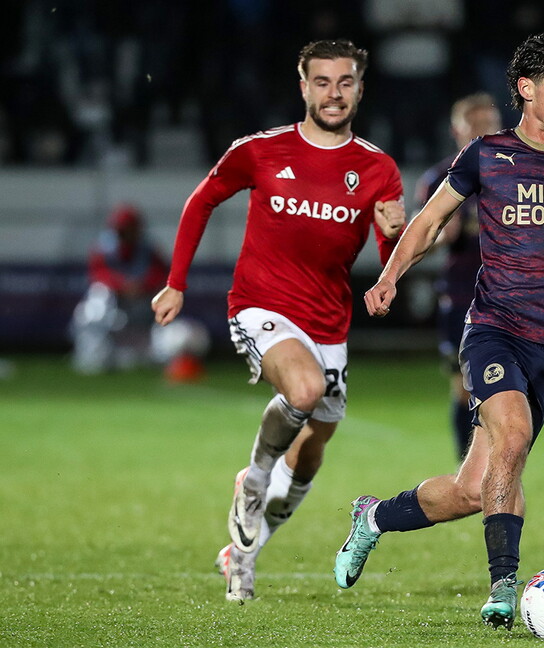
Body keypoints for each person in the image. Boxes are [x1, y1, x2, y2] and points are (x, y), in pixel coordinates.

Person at [334, 32, 544, 629]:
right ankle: (503, 586)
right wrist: (389, 276)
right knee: (513, 438)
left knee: (473, 490)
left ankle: (373, 517)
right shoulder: (487, 155)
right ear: (527, 89)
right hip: (494, 329)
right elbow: (430, 221)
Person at [150, 39, 406, 602]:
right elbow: (202, 200)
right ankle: (255, 477)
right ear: (304, 87)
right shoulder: (261, 150)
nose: (334, 94)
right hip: (260, 304)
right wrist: (176, 281)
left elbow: (390, 260)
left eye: (345, 82)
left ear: (360, 89)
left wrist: (393, 235)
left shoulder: (378, 168)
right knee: (305, 390)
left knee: (313, 447)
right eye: (323, 82)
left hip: (328, 322)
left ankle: (244, 554)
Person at [415, 92, 502, 459]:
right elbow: (421, 239)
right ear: (457, 130)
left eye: (489, 124)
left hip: (511, 295)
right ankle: (467, 470)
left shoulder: (518, 173)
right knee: (465, 387)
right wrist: (440, 235)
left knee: (508, 388)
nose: (483, 132)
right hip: (463, 294)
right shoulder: (440, 179)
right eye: (475, 125)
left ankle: (497, 468)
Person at [71, 204, 169, 374]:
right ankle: (94, 354)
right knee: (97, 298)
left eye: (129, 230)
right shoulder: (104, 248)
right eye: (121, 230)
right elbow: (98, 274)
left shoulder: (149, 249)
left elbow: (162, 275)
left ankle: (155, 355)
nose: (125, 234)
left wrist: (141, 286)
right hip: (115, 305)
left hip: (142, 305)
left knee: (168, 303)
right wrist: (122, 285)